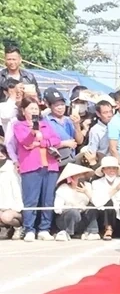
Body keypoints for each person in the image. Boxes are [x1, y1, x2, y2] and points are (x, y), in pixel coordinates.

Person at [13, 98, 62, 241]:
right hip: (30, 166)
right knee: (31, 199)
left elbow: (56, 140)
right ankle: (29, 228)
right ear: (23, 111)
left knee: (48, 199)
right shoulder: (19, 126)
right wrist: (33, 133)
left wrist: (41, 142)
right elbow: (25, 142)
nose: (34, 111)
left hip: (50, 165)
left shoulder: (46, 125)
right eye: (31, 108)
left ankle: (44, 229)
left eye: (36, 108)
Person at [90, 156, 120, 239]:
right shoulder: (97, 183)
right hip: (105, 216)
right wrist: (114, 190)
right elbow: (97, 202)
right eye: (108, 168)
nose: (112, 170)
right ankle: (108, 229)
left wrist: (115, 195)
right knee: (108, 201)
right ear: (103, 170)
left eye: (114, 168)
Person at [54, 163, 97, 240]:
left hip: (82, 218)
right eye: (78, 175)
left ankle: (92, 232)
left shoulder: (88, 186)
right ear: (72, 177)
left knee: (92, 209)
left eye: (82, 175)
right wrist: (74, 207)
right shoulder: (63, 188)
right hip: (66, 219)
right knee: (73, 212)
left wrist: (86, 193)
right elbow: (57, 209)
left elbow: (97, 204)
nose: (81, 177)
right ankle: (68, 233)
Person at [42, 88, 80, 164]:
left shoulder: (69, 120)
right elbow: (44, 144)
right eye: (56, 105)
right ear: (49, 106)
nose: (60, 108)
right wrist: (64, 144)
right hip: (55, 162)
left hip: (71, 160)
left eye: (62, 104)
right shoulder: (45, 121)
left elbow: (79, 141)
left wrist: (77, 125)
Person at [0, 143, 22, 239]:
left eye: (1, 154)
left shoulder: (11, 169)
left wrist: (16, 208)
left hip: (13, 208)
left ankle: (19, 227)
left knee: (6, 217)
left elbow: (17, 190)